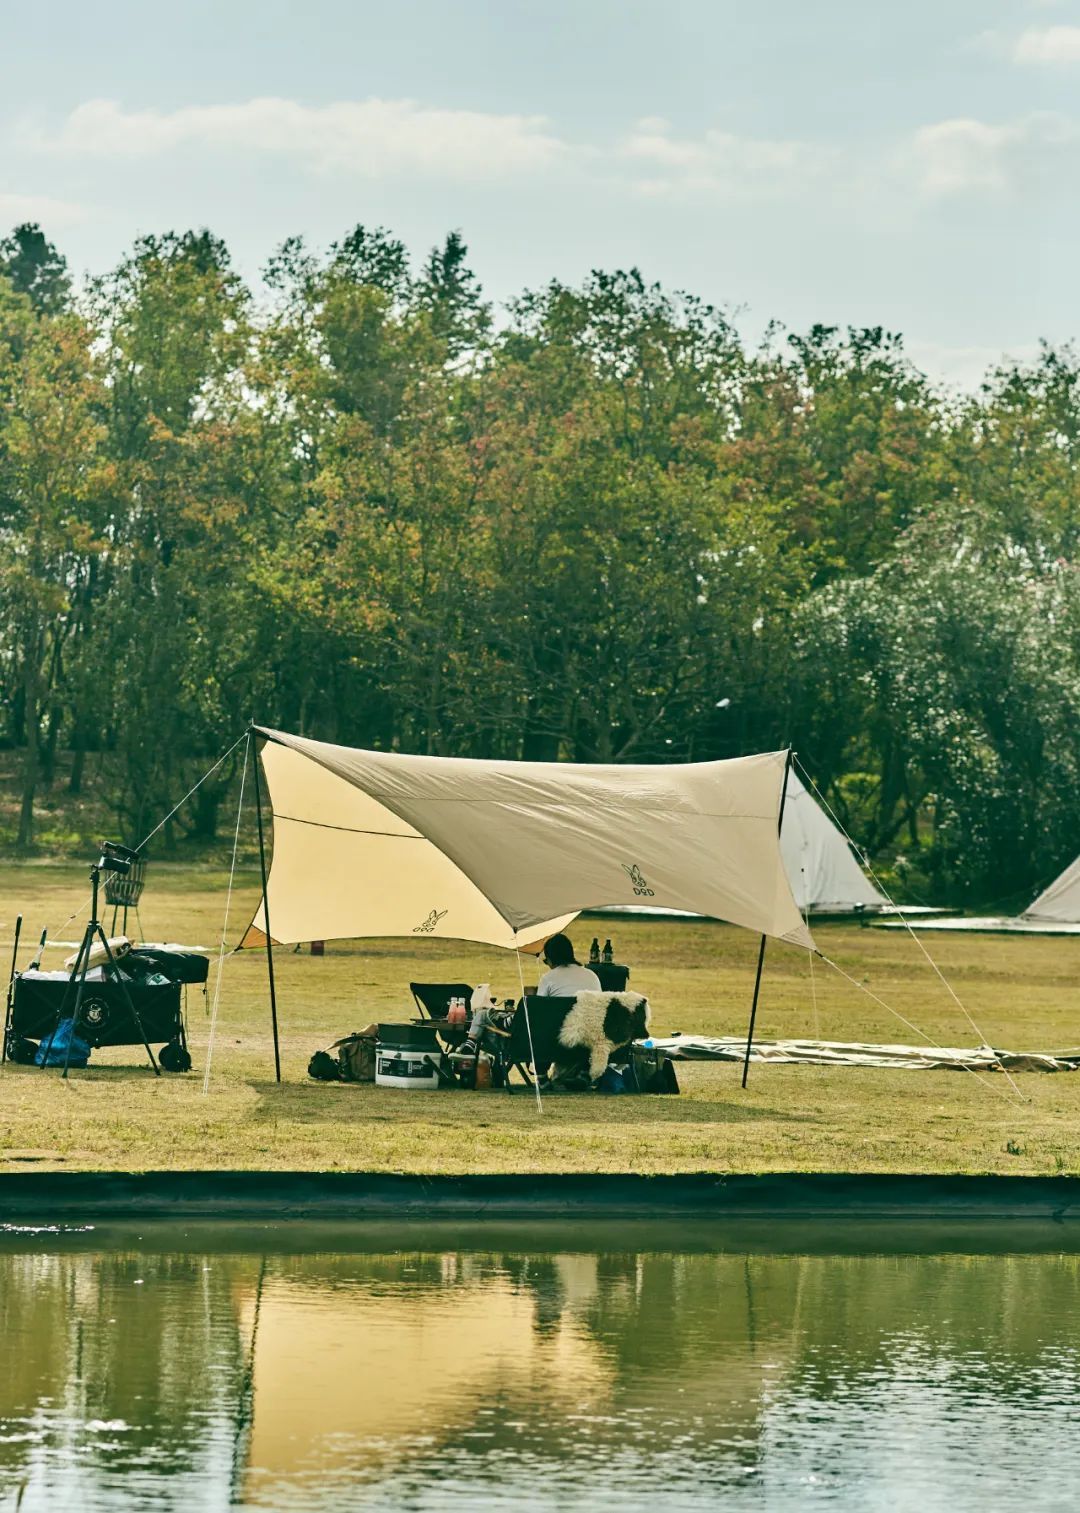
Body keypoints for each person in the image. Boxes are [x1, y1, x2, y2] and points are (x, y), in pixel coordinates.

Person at [535, 933, 601, 997]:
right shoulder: (592, 975)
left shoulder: (547, 978)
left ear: (550, 960)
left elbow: (539, 1006)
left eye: (546, 962)